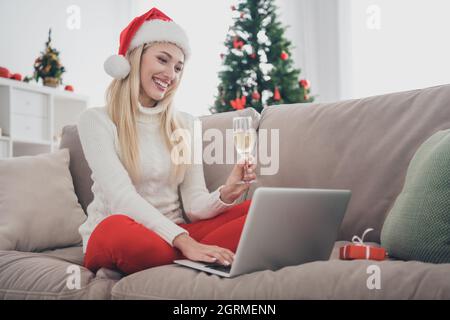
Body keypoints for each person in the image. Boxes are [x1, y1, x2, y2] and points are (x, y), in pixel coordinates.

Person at [77, 7, 257, 275]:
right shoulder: (96, 120)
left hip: (175, 232)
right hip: (122, 231)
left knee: (258, 214)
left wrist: (225, 194)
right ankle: (192, 254)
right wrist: (185, 242)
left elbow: (194, 206)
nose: (170, 75)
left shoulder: (186, 123)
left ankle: (185, 256)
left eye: (178, 67)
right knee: (118, 231)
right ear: (134, 59)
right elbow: (121, 198)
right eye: (162, 60)